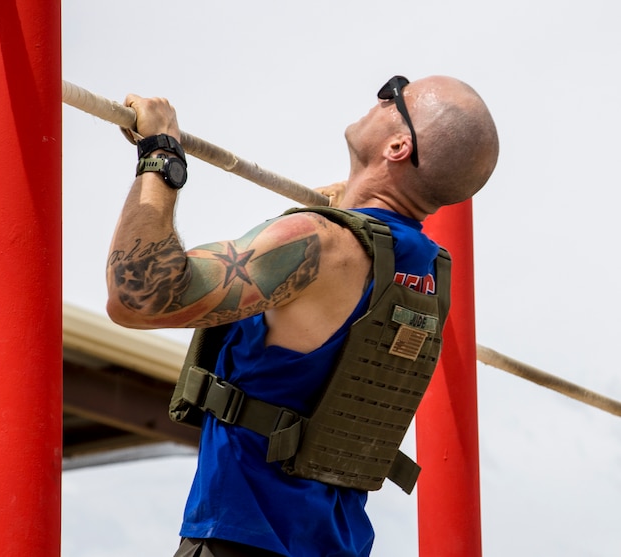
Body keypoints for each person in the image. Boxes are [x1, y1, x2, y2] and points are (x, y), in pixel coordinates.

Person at [106, 75, 499, 557]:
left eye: (395, 93)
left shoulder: (320, 243)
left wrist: (160, 151)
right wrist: (348, 205)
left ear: (399, 145)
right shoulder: (424, 269)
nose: (380, 95)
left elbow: (140, 294)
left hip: (244, 537)